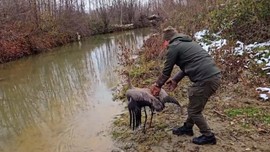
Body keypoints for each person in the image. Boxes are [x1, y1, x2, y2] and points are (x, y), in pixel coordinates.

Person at [150, 26, 221, 145]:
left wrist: (157, 85)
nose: (165, 46)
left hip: (205, 80)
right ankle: (187, 128)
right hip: (213, 77)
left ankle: (208, 136)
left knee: (194, 111)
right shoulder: (187, 42)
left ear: (167, 41)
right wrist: (176, 80)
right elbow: (188, 66)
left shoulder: (174, 47)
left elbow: (166, 71)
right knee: (194, 106)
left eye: (164, 43)